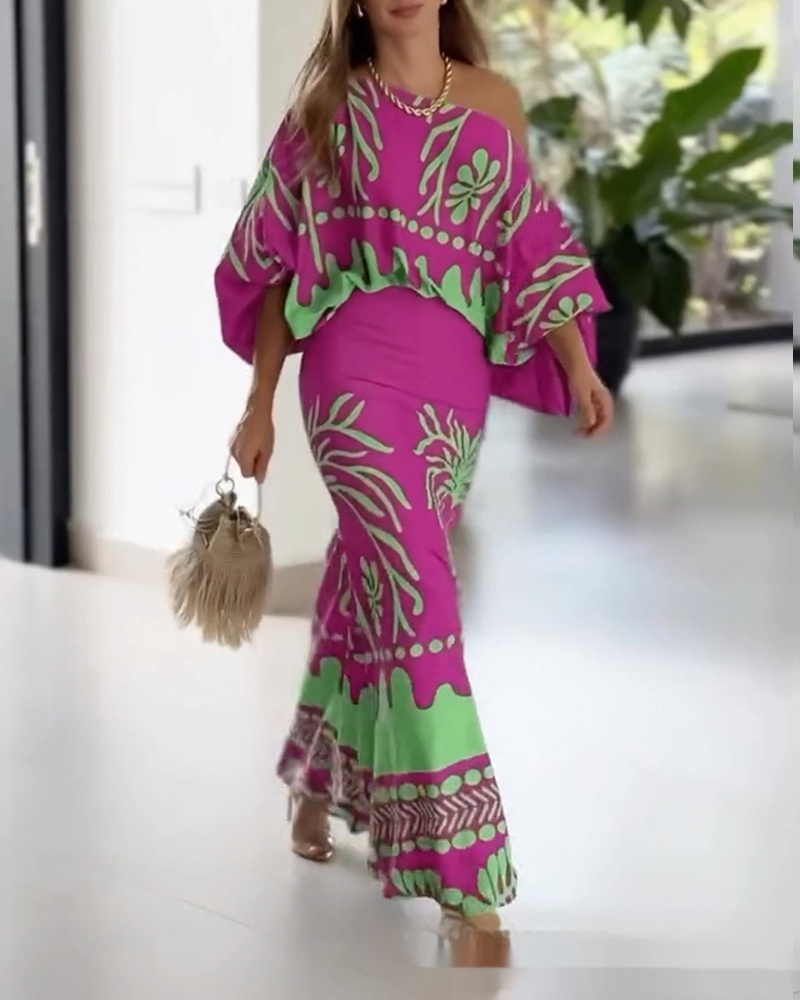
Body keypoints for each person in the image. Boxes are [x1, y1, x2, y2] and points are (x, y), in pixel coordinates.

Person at [215, 0, 613, 964]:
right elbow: (275, 262)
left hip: (450, 389)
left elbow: (528, 240)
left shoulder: (494, 102)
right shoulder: (326, 107)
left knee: (376, 580)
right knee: (421, 591)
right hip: (351, 376)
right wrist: (261, 403)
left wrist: (578, 363)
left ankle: (315, 778)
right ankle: (466, 880)